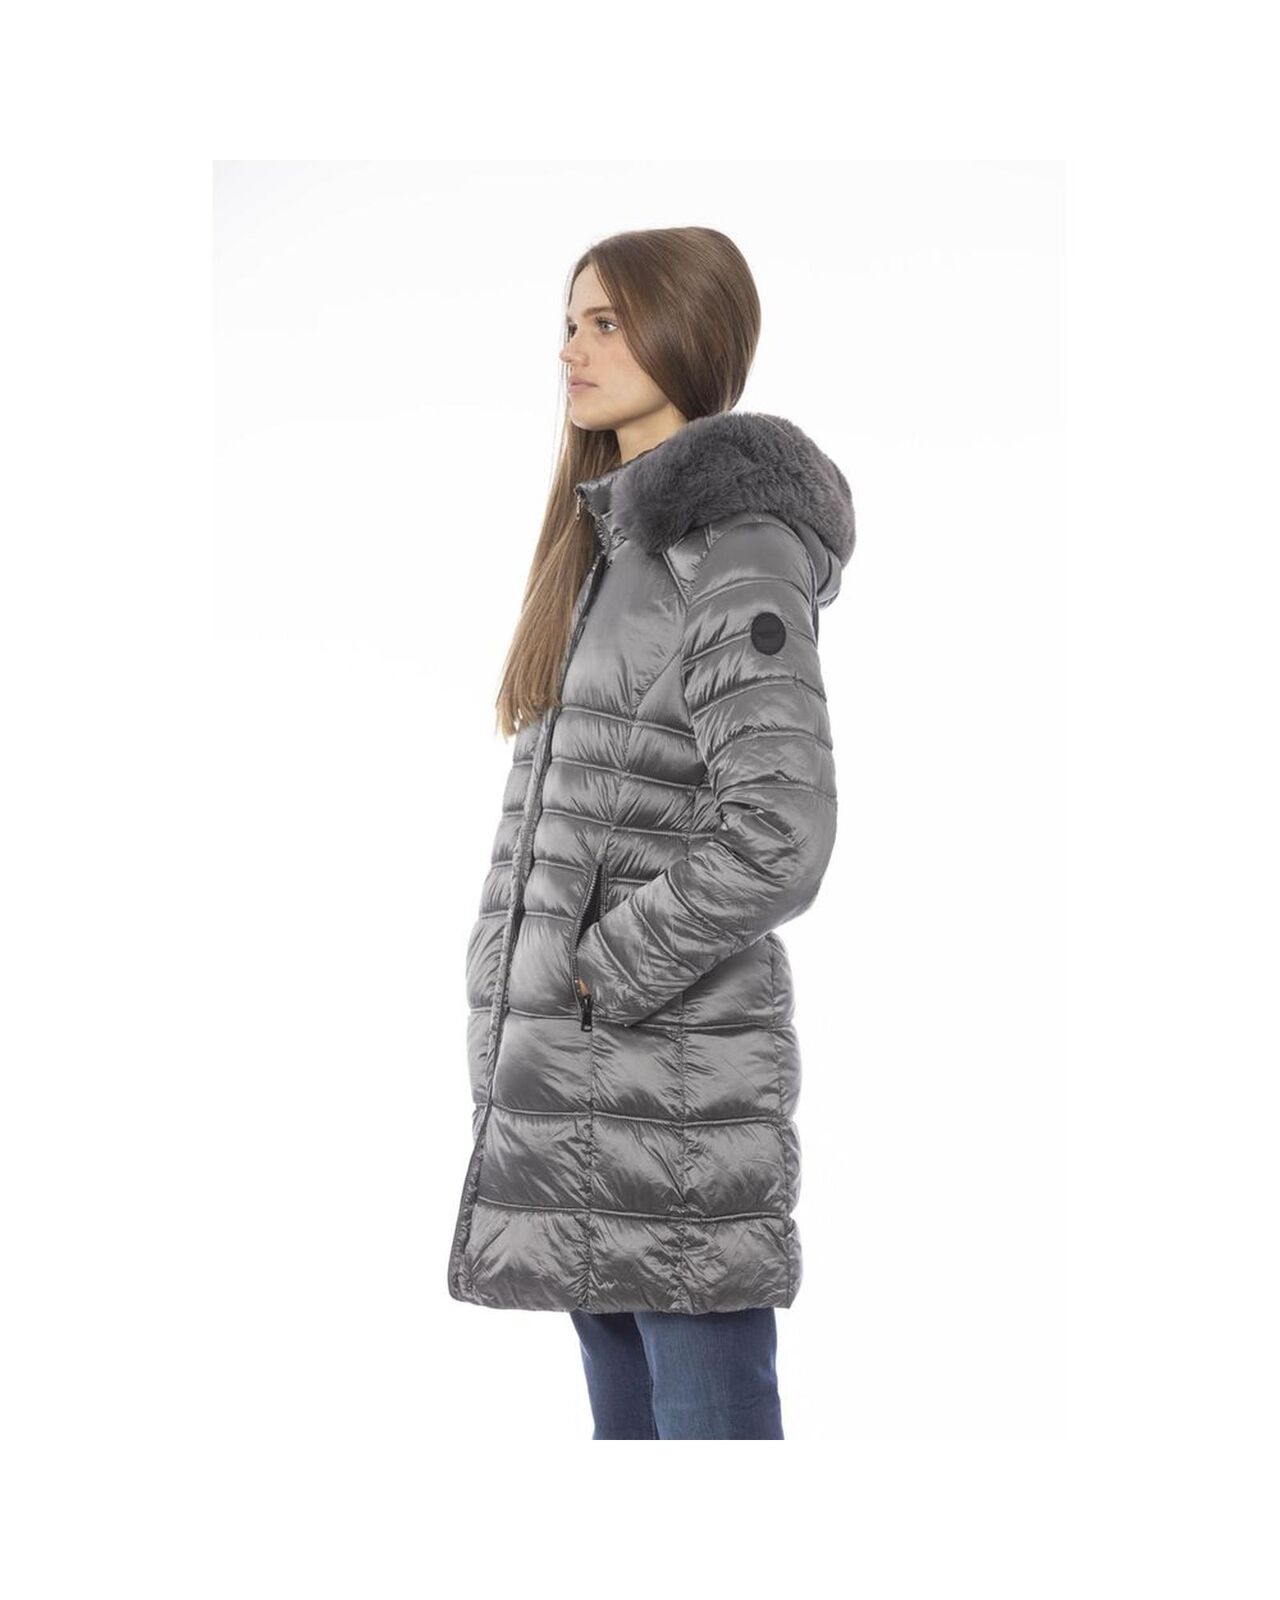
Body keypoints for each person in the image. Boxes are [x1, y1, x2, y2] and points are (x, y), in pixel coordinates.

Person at [446, 226, 856, 1439]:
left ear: (687, 331)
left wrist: (595, 971)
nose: (570, 349)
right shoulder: (607, 551)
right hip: (580, 1090)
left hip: (672, 1098)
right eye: (569, 322)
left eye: (606, 322)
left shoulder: (734, 547)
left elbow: (779, 828)